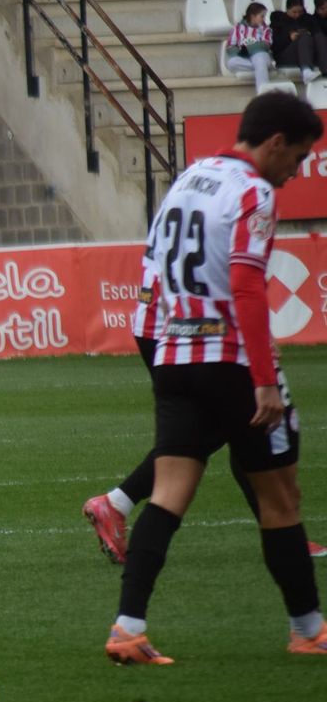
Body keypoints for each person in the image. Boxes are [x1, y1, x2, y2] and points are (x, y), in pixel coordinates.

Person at [104, 91, 327, 665]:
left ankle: (128, 627)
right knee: (281, 498)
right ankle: (308, 629)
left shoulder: (192, 176)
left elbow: (155, 261)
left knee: (167, 495)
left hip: (176, 353)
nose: (296, 171)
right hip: (229, 356)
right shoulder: (253, 191)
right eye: (298, 157)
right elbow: (249, 286)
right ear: (275, 142)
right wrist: (264, 379)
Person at [82, 253, 327, 564]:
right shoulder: (237, 207)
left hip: (161, 324)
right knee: (228, 426)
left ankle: (281, 531)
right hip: (184, 328)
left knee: (230, 426)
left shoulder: (185, 205)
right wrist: (259, 339)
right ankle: (117, 504)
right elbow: (230, 278)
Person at [270, 0, 322, 83]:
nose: (297, 15)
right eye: (294, 12)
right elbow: (274, 46)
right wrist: (289, 38)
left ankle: (309, 68)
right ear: (287, 9)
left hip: (307, 53)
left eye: (300, 12)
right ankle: (306, 70)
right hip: (285, 56)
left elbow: (318, 34)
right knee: (304, 37)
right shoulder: (278, 21)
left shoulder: (308, 19)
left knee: (307, 37)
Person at [226, 1, 274, 92]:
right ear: (253, 16)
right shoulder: (238, 28)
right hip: (245, 58)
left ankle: (263, 92)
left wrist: (248, 48)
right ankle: (262, 67)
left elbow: (266, 45)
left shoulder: (265, 29)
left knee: (259, 59)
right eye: (262, 16)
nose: (263, 19)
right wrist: (241, 51)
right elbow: (231, 47)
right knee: (231, 63)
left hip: (260, 55)